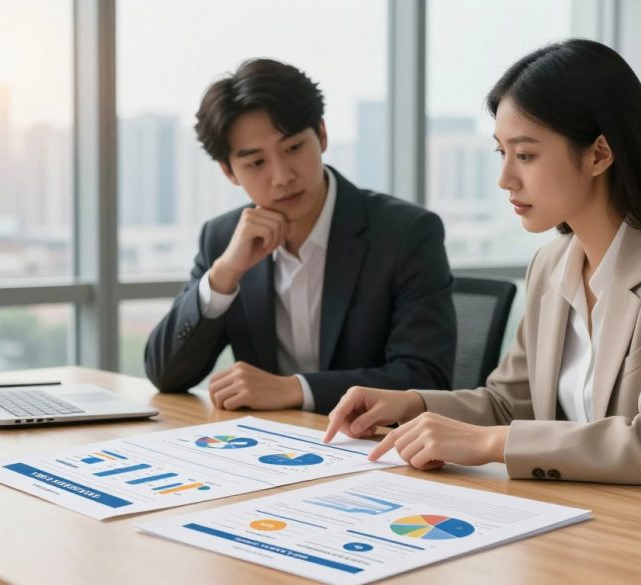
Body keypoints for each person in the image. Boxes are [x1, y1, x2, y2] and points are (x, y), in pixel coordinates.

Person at [323, 39, 641, 494]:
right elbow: (509, 403)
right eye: (502, 153)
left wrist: (487, 443)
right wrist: (409, 404)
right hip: (607, 521)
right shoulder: (551, 264)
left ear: (599, 154)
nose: (505, 179)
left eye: (525, 155)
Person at [145, 58, 456, 415]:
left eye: (293, 148)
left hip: (376, 450)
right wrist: (225, 275)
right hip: (270, 451)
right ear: (230, 172)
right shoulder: (223, 239)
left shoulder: (405, 233)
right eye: (256, 163)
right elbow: (166, 375)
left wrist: (295, 389)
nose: (281, 177)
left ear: (322, 135)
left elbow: (427, 377)